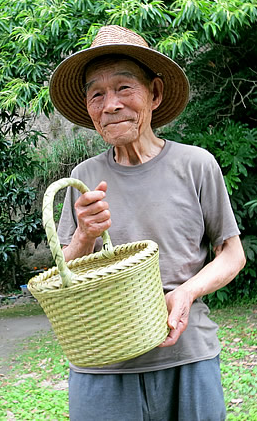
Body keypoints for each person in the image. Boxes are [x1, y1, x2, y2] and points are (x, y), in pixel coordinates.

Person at [49, 25, 246, 421]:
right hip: (102, 361)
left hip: (187, 356)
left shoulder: (196, 165)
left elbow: (232, 253)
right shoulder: (82, 177)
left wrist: (186, 293)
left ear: (154, 94)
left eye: (124, 88)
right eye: (97, 94)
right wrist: (85, 234)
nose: (111, 105)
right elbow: (64, 274)